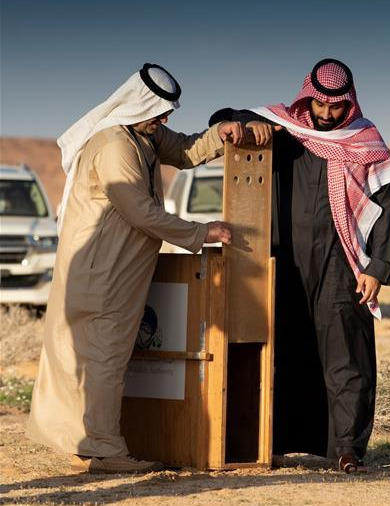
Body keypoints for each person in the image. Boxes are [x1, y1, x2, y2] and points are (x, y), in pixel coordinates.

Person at [25, 63, 254, 474]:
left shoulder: (143, 133)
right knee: (105, 360)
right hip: (103, 273)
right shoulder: (115, 144)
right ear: (138, 106)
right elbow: (140, 211)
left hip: (120, 271)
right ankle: (107, 451)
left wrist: (220, 136)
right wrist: (202, 232)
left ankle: (98, 442)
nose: (165, 120)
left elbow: (184, 150)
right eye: (161, 112)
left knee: (104, 358)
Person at [210, 58, 390, 473]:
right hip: (283, 260)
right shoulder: (284, 132)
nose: (328, 115)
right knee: (282, 348)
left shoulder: (364, 141)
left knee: (345, 355)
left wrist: (378, 267)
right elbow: (223, 119)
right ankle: (273, 441)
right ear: (307, 98)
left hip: (341, 263)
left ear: (347, 104)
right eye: (321, 106)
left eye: (336, 108)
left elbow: (385, 204)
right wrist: (244, 122)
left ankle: (347, 448)